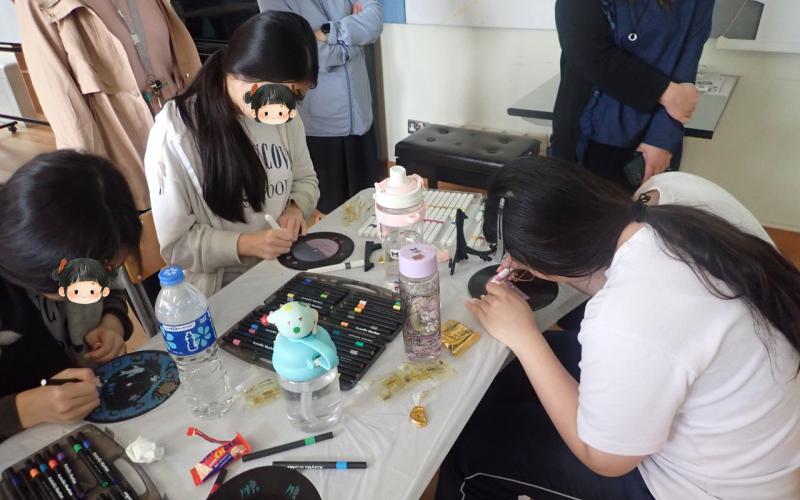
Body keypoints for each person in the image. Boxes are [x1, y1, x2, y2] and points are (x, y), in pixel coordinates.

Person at [437, 156, 800, 499]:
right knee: (506, 376)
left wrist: (526, 338)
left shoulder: (625, 316)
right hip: (753, 436)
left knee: (469, 453)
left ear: (543, 264)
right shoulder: (671, 192)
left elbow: (605, 460)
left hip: (707, 488)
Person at [144, 11, 321, 297]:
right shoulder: (177, 133)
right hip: (220, 291)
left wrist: (296, 207)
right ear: (250, 79)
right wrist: (248, 244)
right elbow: (177, 246)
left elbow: (306, 179)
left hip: (282, 271)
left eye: (297, 97)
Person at [0, 150, 142, 443]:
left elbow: (112, 290)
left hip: (81, 416)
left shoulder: (75, 235)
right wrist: (21, 410)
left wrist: (111, 321)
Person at [16, 0, 201, 209]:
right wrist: (91, 183)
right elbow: (61, 101)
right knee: (154, 218)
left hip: (186, 128)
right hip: (125, 148)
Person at [552, 0, 713, 189]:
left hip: (650, 142)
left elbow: (685, 74)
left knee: (643, 206)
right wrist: (664, 92)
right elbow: (587, 53)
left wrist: (662, 138)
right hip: (585, 135)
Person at [258, 0, 384, 214]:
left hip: (362, 118)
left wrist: (329, 31)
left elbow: (375, 20)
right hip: (320, 127)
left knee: (370, 209)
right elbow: (306, 53)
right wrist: (356, 41)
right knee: (329, 215)